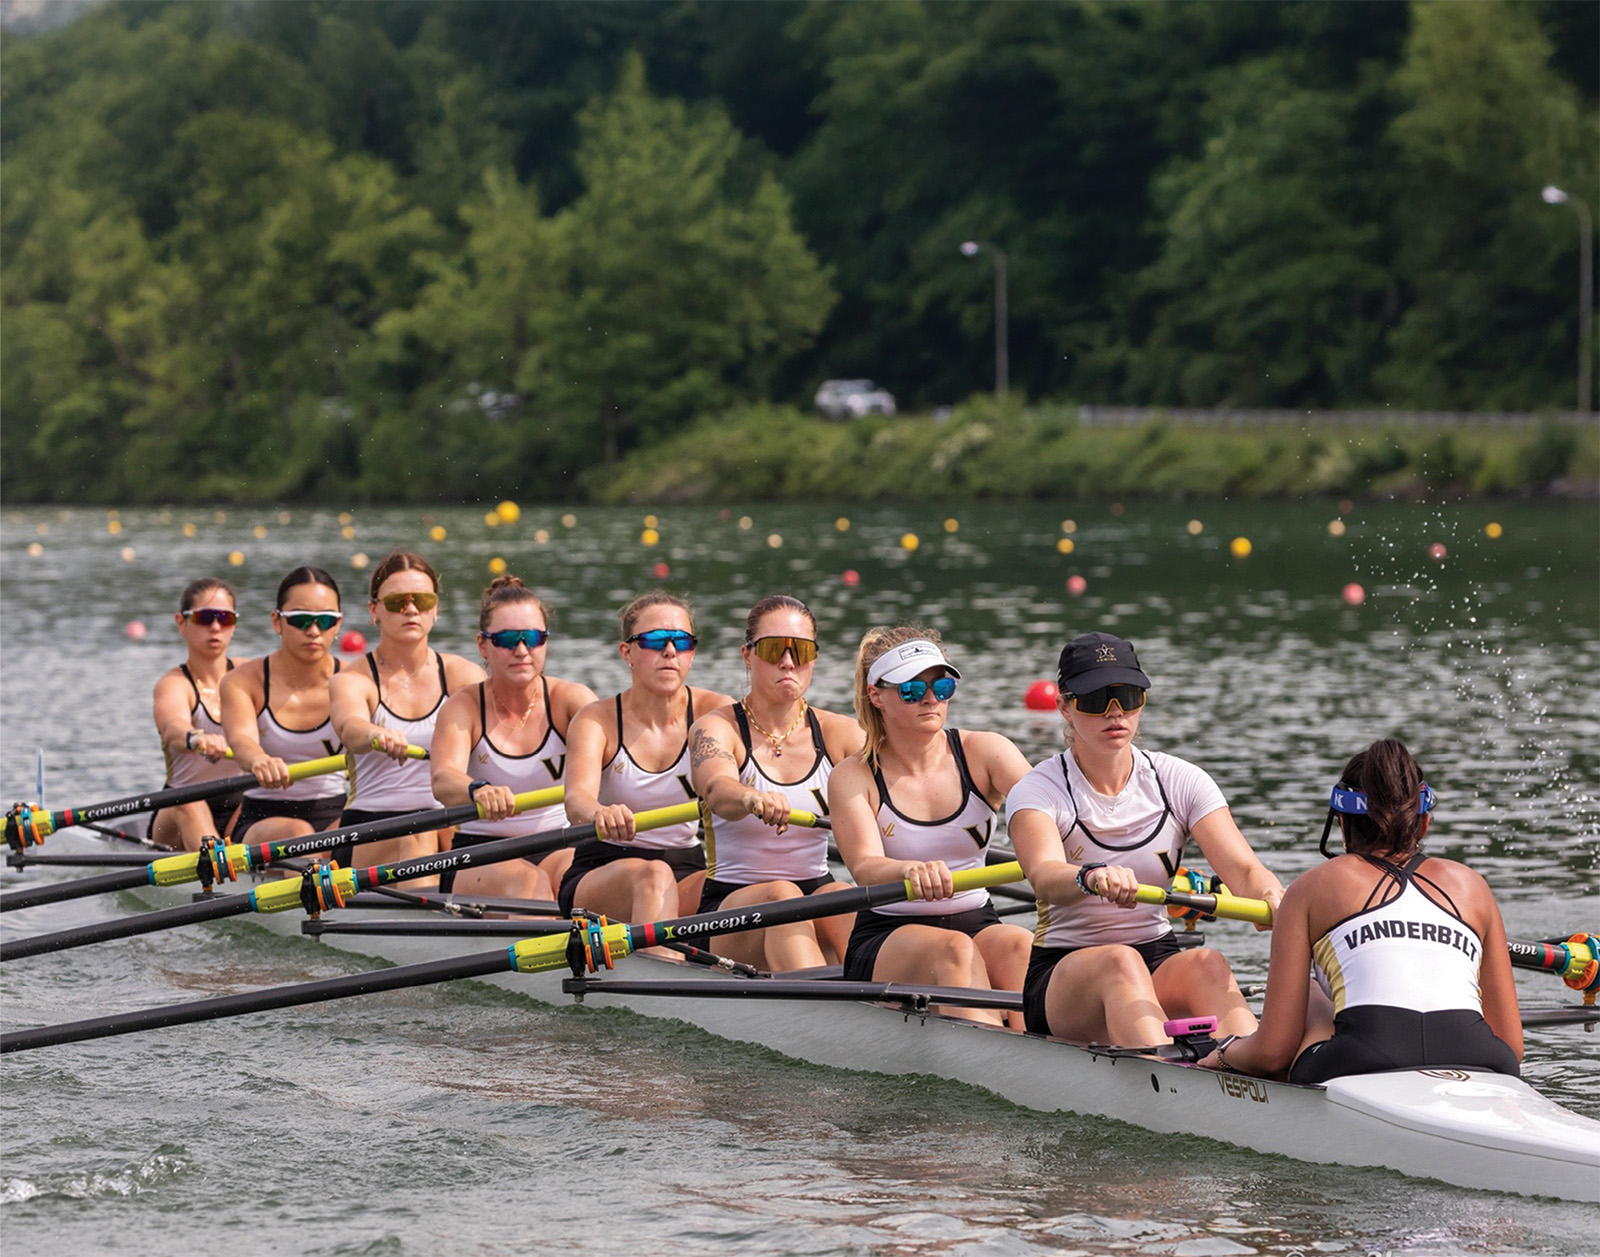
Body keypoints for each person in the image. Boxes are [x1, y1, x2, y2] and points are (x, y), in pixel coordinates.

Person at [1007, 632, 1285, 1046]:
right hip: (1064, 972)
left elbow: (1244, 869)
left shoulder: (1181, 780)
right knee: (1121, 962)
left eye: (1128, 695)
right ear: (1064, 707)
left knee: (1209, 963)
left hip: (1156, 954)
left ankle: (1257, 1075)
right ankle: (1166, 1078)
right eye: (1096, 700)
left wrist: (1274, 898)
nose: (1115, 713)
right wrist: (1090, 877)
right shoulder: (1038, 790)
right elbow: (1045, 875)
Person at [1199, 738, 1522, 1083]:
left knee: (1310, 993)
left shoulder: (1309, 889)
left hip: (1362, 1057)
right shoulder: (1474, 886)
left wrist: (1223, 1053)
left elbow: (1272, 1053)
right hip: (1484, 1056)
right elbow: (1511, 1044)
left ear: (1342, 824)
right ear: (1424, 823)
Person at [829, 627, 1034, 1028]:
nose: (929, 698)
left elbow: (1052, 810)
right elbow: (865, 865)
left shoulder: (985, 751)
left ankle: (1045, 1058)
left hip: (976, 917)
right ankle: (999, 1061)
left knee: (1021, 944)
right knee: (955, 951)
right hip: (889, 932)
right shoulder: (853, 775)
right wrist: (908, 869)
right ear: (877, 695)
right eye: (911, 689)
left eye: (941, 686)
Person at [688, 595, 863, 971]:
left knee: (843, 895)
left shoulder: (842, 734)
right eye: (772, 649)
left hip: (816, 893)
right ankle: (828, 1011)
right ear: (747, 655)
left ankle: (884, 1010)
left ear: (813, 658)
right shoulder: (716, 728)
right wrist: (750, 797)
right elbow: (717, 789)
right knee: (784, 896)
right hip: (730, 908)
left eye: (800, 651)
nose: (787, 662)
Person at [560, 592, 733, 930]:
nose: (669, 651)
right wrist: (600, 813)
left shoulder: (716, 713)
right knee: (654, 876)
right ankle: (663, 974)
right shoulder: (596, 720)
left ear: (691, 653)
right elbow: (575, 800)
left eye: (681, 641)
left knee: (762, 892)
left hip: (687, 866)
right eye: (655, 640)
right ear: (627, 652)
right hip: (602, 867)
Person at [430, 576, 596, 902]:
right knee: (528, 883)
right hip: (480, 853)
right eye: (507, 639)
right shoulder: (463, 707)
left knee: (582, 880)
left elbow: (620, 748)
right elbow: (443, 779)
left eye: (533, 638)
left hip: (556, 846)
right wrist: (478, 790)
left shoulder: (572, 701)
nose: (522, 650)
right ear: (483, 645)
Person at [328, 552, 485, 874]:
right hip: (372, 827)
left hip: (448, 822)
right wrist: (375, 733)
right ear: (374, 610)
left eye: (423, 601)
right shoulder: (353, 680)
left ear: (436, 609)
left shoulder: (463, 675)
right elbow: (350, 727)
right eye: (398, 601)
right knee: (420, 835)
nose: (411, 610)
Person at [220, 566, 348, 845]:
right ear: (277, 621)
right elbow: (241, 741)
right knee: (298, 835)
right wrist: (258, 759)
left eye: (325, 621)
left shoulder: (354, 680)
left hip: (335, 813)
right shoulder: (243, 681)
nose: (314, 631)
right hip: (262, 817)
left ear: (338, 625)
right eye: (301, 620)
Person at [149, 578, 244, 850]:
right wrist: (196, 739)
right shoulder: (174, 684)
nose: (215, 627)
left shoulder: (251, 675)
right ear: (182, 623)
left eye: (225, 618)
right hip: (178, 813)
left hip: (240, 807)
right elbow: (172, 727)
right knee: (189, 803)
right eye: (204, 618)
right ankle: (219, 877)